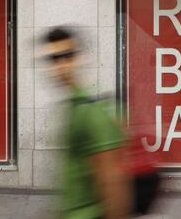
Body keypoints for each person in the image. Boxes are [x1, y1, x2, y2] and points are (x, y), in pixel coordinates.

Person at [42, 27, 130, 219]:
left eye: (68, 56)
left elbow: (113, 186)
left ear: (81, 58)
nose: (61, 65)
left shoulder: (92, 111)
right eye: (54, 59)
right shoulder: (72, 106)